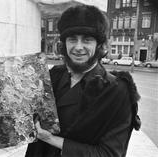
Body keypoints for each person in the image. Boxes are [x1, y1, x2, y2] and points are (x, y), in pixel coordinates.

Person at [25, 4, 141, 157]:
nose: (78, 47)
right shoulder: (54, 75)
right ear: (64, 44)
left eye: (87, 40)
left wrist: (51, 139)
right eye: (72, 39)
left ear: (99, 45)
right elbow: (33, 117)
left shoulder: (117, 91)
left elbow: (109, 154)